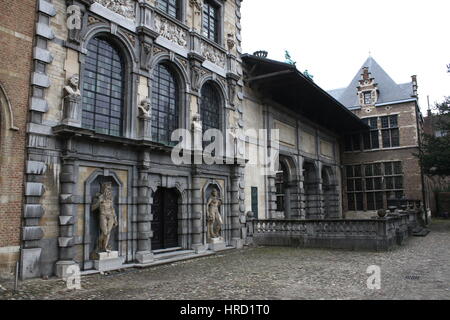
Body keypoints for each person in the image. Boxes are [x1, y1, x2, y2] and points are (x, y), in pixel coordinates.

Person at [92, 182, 118, 252]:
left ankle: (104, 247)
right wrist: (99, 202)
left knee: (108, 232)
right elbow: (92, 208)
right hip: (102, 215)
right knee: (105, 232)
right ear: (103, 189)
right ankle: (98, 244)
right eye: (107, 189)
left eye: (109, 189)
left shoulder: (110, 198)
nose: (109, 190)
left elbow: (112, 209)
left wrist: (115, 219)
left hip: (111, 216)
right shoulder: (98, 197)